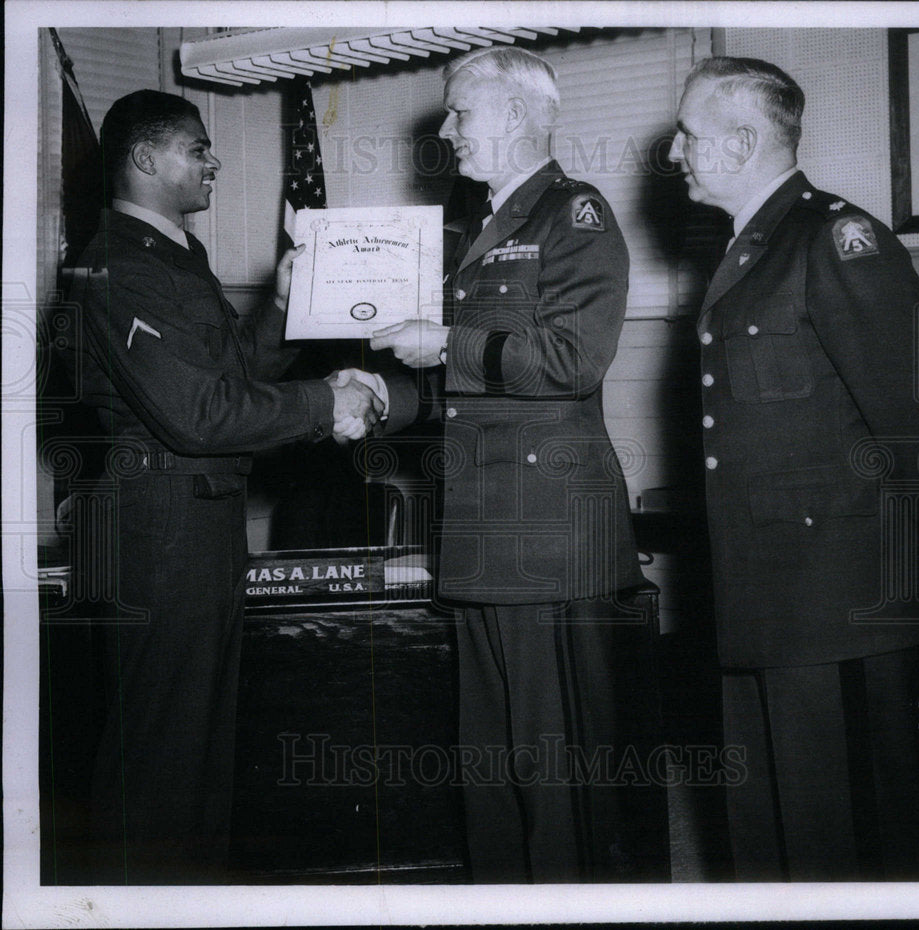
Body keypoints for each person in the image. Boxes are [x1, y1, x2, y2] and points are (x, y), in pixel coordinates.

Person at [353, 47, 662, 883]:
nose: (447, 130)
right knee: (490, 766)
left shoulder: (574, 215)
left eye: (461, 112)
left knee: (556, 770)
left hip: (549, 538)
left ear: (518, 113)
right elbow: (453, 388)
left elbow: (570, 361)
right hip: (482, 533)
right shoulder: (471, 230)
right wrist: (379, 399)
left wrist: (445, 342)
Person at [66, 89, 381, 883]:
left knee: (201, 746)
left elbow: (234, 375)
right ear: (145, 159)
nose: (214, 162)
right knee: (161, 754)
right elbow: (200, 415)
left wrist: (278, 305)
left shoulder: (173, 256)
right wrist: (325, 402)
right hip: (163, 530)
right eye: (197, 148)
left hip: (196, 527)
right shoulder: (118, 263)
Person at [668, 57, 919, 881]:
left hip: (840, 602)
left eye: (689, 134)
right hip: (764, 594)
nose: (676, 151)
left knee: (853, 838)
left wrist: (901, 598)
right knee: (771, 830)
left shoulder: (835, 238)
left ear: (744, 139)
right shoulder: (750, 245)